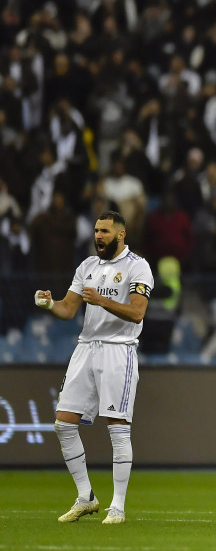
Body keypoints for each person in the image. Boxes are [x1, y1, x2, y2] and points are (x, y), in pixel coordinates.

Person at [34, 211, 154, 524]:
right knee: (63, 423)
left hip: (119, 351)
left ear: (121, 234)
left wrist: (102, 301)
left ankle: (118, 507)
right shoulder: (87, 266)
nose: (98, 236)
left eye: (104, 231)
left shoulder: (137, 266)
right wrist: (49, 303)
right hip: (85, 348)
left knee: (117, 428)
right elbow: (69, 308)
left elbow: (137, 312)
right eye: (96, 230)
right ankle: (86, 496)